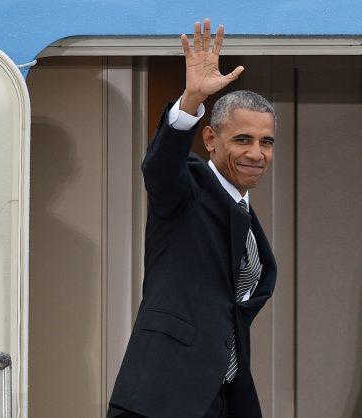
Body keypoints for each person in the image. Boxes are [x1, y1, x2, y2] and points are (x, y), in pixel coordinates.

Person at [107, 19, 277, 418]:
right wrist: (189, 103)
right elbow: (160, 168)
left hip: (222, 397)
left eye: (266, 142)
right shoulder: (190, 187)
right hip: (162, 395)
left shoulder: (246, 215)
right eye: (243, 139)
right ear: (211, 139)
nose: (257, 153)